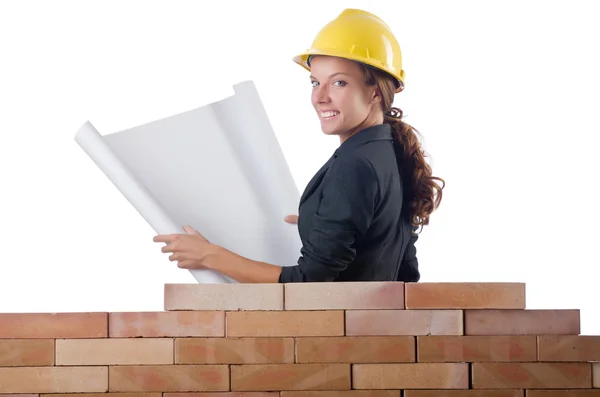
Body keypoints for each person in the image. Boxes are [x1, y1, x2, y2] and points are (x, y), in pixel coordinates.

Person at [153, 8, 445, 283]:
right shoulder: (390, 153)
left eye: (339, 83)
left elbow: (310, 281)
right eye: (315, 83)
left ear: (377, 92)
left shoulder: (356, 164)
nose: (320, 97)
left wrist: (209, 255)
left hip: (340, 333)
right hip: (374, 330)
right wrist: (323, 220)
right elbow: (406, 274)